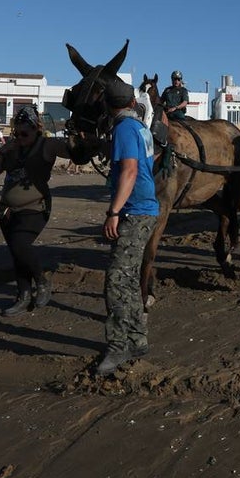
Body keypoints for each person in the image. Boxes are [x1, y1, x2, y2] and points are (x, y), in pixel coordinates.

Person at [95, 80, 161, 376]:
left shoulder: (122, 129)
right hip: (145, 208)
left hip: (134, 211)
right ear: (132, 102)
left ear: (109, 107)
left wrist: (114, 212)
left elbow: (131, 170)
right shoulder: (140, 128)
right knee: (130, 278)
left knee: (116, 281)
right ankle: (137, 338)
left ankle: (118, 345)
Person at [0, 105, 71, 317]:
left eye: (25, 133)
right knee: (16, 253)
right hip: (7, 211)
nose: (20, 137)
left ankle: (42, 281)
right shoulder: (12, 148)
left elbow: (72, 152)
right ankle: (23, 295)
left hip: (35, 207)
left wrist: (82, 141)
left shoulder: (47, 145)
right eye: (17, 133)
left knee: (20, 244)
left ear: (36, 129)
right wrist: (3, 149)